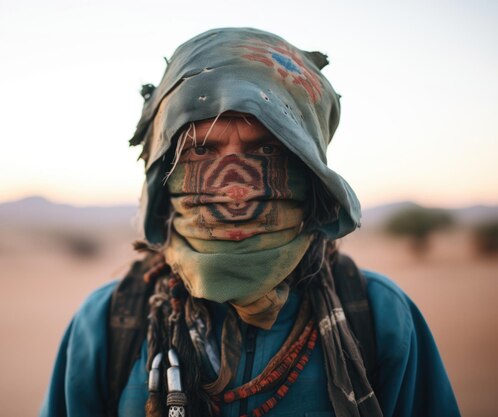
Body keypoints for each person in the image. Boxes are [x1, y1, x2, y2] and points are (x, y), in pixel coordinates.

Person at [39, 28, 461, 417]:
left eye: (267, 152)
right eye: (201, 151)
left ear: (309, 169)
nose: (236, 190)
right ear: (164, 168)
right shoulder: (108, 324)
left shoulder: (381, 317)